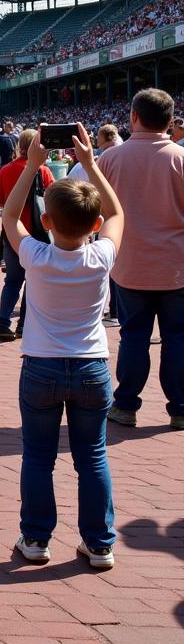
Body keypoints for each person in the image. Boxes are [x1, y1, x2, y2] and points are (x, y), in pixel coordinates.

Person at [1, 124, 123, 569]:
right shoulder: (100, 255)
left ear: (47, 221)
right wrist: (91, 163)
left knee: (38, 457)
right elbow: (117, 214)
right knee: (92, 458)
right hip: (91, 366)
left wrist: (32, 165)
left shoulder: (37, 254)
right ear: (92, 225)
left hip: (42, 367)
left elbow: (11, 218)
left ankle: (35, 540)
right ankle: (99, 543)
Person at [96, 89, 184, 431]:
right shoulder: (179, 157)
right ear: (169, 121)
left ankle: (126, 404)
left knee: (134, 337)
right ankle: (179, 408)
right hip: (176, 267)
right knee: (177, 338)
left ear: (134, 116)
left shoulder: (111, 159)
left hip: (129, 264)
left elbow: (101, 211)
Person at [0, 129, 55, 341]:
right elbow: (54, 199)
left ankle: (3, 323)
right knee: (32, 281)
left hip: (13, 233)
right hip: (37, 233)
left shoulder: (7, 170)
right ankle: (23, 326)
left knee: (12, 281)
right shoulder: (43, 171)